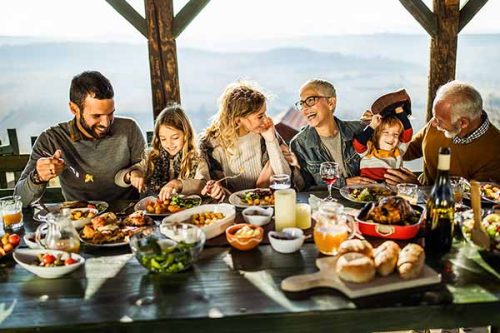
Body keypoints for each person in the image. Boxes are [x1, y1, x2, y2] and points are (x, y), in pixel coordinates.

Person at [15, 71, 146, 206]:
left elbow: (147, 175)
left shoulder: (129, 128)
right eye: (96, 116)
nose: (106, 123)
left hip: (128, 218)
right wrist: (38, 177)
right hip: (79, 219)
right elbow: (20, 200)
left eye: (110, 114)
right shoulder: (52, 139)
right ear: (74, 108)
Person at [384, 80, 500, 185]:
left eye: (439, 120)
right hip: (418, 196)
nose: (433, 123)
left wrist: (416, 187)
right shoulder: (440, 122)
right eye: (434, 116)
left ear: (463, 123)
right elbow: (409, 150)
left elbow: (471, 203)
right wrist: (378, 130)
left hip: (444, 205)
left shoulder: (494, 152)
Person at [199, 81, 292, 200]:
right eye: (260, 116)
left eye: (265, 113)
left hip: (266, 203)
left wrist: (270, 140)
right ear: (238, 121)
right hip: (230, 205)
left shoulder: (265, 133)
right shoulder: (211, 144)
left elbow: (284, 177)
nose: (265, 119)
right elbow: (212, 187)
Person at [290, 79, 375, 190]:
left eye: (310, 100)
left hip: (365, 201)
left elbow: (384, 161)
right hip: (327, 205)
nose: (305, 109)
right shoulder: (299, 144)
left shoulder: (360, 130)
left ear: (331, 103)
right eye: (301, 104)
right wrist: (343, 183)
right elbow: (306, 188)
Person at [115, 105, 208, 200]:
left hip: (185, 212)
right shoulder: (152, 158)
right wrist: (132, 174)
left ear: (186, 135)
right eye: (163, 139)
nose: (169, 144)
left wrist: (178, 184)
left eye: (175, 138)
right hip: (152, 211)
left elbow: (204, 185)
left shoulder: (196, 159)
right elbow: (117, 178)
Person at [353, 90, 413, 182]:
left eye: (396, 134)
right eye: (386, 133)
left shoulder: (398, 151)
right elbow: (358, 143)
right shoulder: (369, 150)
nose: (391, 137)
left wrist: (399, 111)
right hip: (369, 189)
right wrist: (372, 126)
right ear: (377, 135)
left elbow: (408, 132)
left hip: (391, 191)